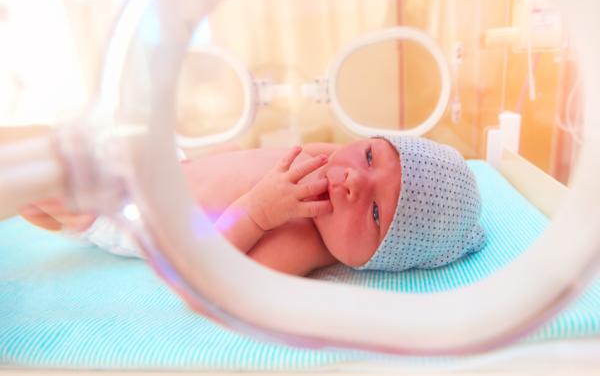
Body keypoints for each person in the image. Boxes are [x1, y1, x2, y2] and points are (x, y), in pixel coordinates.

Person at [20, 136, 486, 276]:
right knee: (48, 155)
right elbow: (248, 159)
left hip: (137, 213)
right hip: (164, 166)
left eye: (377, 213)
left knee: (29, 176)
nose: (351, 180)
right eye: (369, 157)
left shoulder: (303, 241)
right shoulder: (326, 157)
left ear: (374, 260)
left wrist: (257, 212)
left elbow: (211, 271)